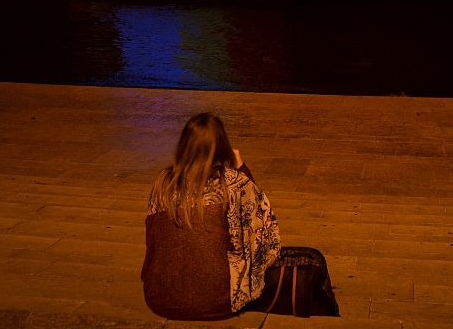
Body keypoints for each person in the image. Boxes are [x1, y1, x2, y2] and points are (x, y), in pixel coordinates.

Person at [141, 112, 339, 320]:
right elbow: (263, 231)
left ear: (183, 145)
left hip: (159, 298)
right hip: (218, 301)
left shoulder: (163, 182)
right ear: (222, 145)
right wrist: (241, 167)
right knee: (309, 257)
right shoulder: (232, 183)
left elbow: (152, 241)